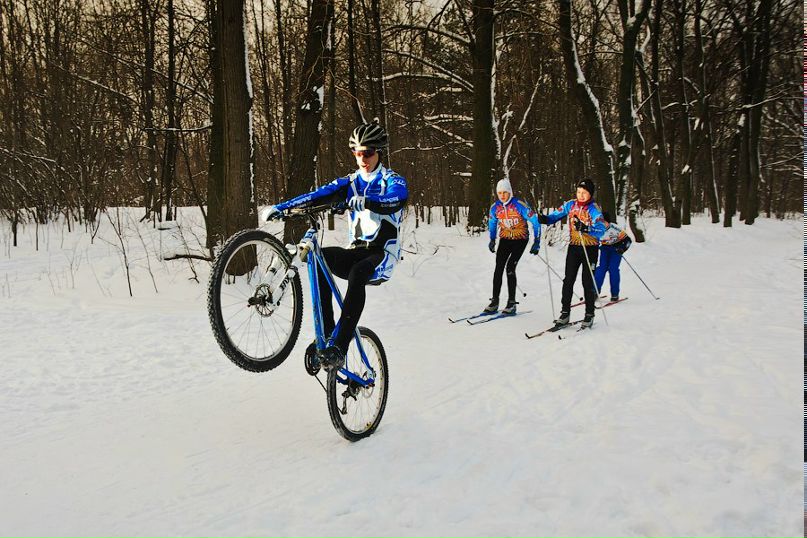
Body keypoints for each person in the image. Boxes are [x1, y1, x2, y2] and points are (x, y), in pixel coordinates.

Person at [261, 120, 408, 369]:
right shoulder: (350, 181)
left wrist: (367, 201)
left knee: (358, 272)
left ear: (379, 152)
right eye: (357, 153)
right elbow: (316, 195)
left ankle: (340, 345)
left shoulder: (392, 179)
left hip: (383, 254)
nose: (362, 158)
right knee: (319, 260)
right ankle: (328, 338)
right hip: (356, 251)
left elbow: (396, 199)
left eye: (368, 153)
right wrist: (282, 208)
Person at [537, 178, 606, 328]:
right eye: (579, 192)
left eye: (584, 193)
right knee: (568, 280)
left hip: (590, 248)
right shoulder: (571, 205)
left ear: (590, 194)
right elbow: (555, 216)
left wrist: (586, 228)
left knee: (587, 282)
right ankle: (565, 313)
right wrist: (544, 219)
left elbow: (601, 230)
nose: (581, 195)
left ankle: (589, 314)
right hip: (574, 247)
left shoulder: (594, 209)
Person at [484, 179, 541, 316]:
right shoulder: (495, 207)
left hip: (520, 239)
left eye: (505, 192)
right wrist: (492, 239)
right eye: (499, 193)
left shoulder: (519, 205)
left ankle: (511, 303)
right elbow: (492, 224)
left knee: (510, 267)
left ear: (510, 192)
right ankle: (495, 301)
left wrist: (536, 241)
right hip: (505, 239)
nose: (502, 195)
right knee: (498, 268)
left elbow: (535, 222)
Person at [594, 211, 632, 302]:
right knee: (601, 269)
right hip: (605, 249)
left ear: (607, 221)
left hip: (616, 249)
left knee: (613, 269)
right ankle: (595, 291)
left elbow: (628, 241)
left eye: (603, 221)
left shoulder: (615, 228)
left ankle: (615, 294)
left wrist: (622, 249)